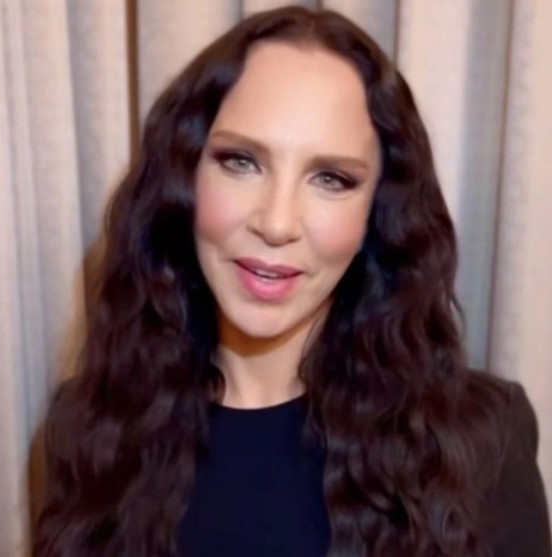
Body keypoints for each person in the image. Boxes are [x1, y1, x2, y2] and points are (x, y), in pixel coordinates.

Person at [33, 5, 551, 557]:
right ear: (182, 180)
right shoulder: (91, 427)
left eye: (331, 178)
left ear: (377, 213)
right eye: (241, 161)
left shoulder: (479, 440)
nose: (277, 223)